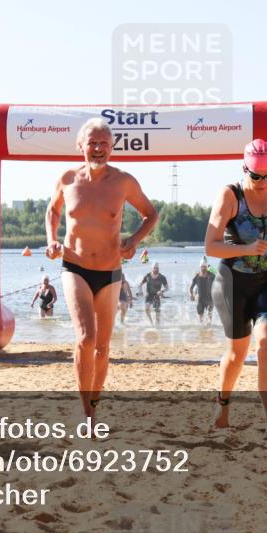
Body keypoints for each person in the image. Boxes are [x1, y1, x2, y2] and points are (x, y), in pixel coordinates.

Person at [45, 118, 158, 418]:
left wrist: (133, 240)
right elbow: (52, 211)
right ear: (80, 146)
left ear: (112, 148)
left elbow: (151, 214)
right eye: (92, 143)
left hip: (110, 271)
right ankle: (87, 415)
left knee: (103, 348)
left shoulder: (123, 182)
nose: (98, 149)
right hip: (75, 266)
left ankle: (93, 404)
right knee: (86, 338)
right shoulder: (68, 179)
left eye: (104, 144)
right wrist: (52, 241)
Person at [205, 138, 267, 441]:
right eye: (255, 175)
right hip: (234, 280)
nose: (261, 182)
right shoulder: (230, 196)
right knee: (236, 354)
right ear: (245, 168)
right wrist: (245, 248)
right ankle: (222, 405)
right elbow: (211, 247)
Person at [189, 260, 216, 325]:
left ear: (207, 267)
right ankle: (202, 330)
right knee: (201, 317)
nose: (203, 268)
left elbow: (218, 285)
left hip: (210, 298)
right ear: (200, 267)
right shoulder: (197, 276)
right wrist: (191, 295)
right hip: (200, 299)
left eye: (205, 267)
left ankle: (209, 328)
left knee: (209, 312)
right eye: (202, 267)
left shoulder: (212, 275)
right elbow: (191, 287)